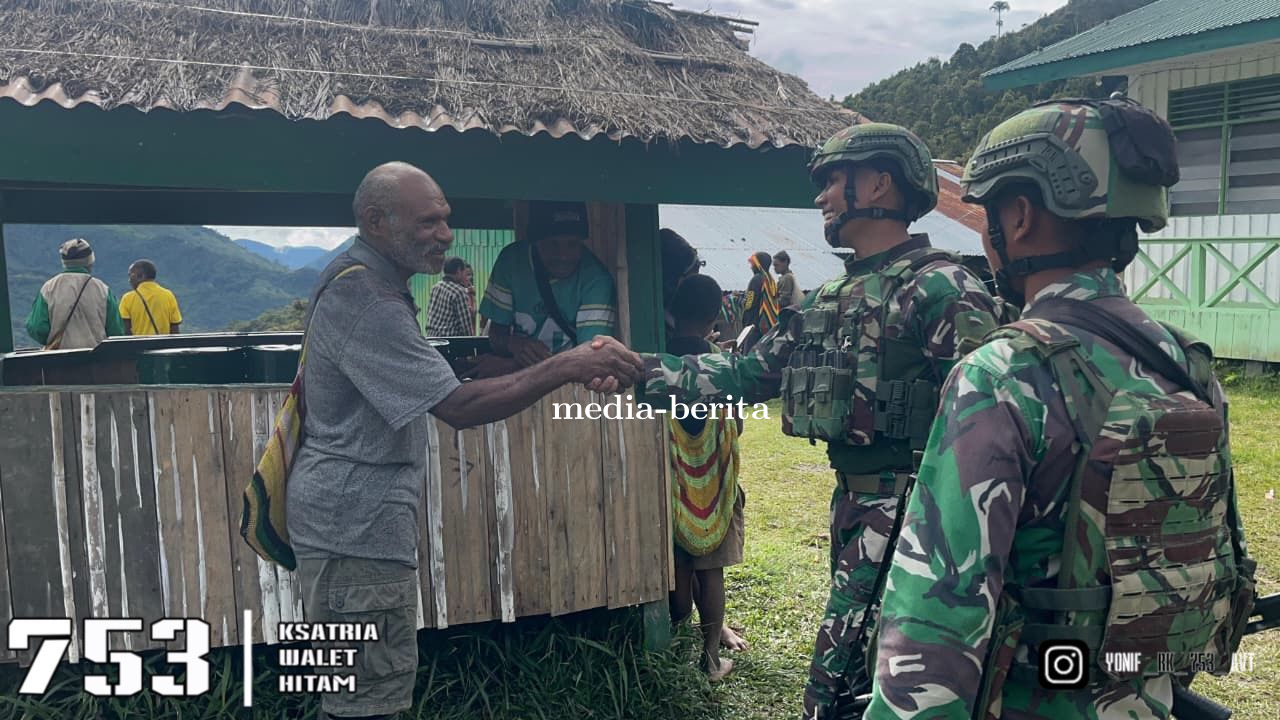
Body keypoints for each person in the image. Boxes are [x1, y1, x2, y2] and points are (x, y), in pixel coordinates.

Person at [865, 99, 1256, 719]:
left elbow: (936, 622)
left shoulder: (1003, 374)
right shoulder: (1191, 367)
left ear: (1017, 217)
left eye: (987, 212)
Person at [626, 123, 1001, 720]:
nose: (822, 196)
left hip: (918, 516)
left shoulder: (942, 288)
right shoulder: (834, 295)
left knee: (851, 681)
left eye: (833, 180)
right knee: (866, 671)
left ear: (879, 181)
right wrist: (638, 369)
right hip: (855, 507)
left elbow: (989, 428)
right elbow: (750, 373)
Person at [285, 162, 642, 720]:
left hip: (351, 526)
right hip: (353, 534)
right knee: (368, 703)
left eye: (445, 220)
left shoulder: (366, 281)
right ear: (377, 221)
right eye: (429, 223)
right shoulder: (369, 302)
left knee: (362, 694)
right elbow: (459, 406)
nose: (446, 236)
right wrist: (566, 365)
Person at [666, 273, 748, 682]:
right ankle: (712, 659)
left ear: (672, 310)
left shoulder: (657, 354)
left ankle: (671, 652)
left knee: (678, 569)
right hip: (715, 488)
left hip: (671, 486)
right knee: (710, 571)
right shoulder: (722, 364)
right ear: (715, 315)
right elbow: (736, 425)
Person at [480, 201, 617, 367]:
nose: (563, 256)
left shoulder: (597, 281)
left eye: (572, 244)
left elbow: (590, 359)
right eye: (553, 244)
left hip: (568, 384)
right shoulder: (511, 262)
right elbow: (496, 334)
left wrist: (510, 368)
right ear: (536, 243)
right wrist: (515, 344)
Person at [26, 238, 125, 349]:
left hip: (57, 360)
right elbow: (116, 331)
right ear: (90, 261)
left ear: (64, 263)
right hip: (96, 361)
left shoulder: (49, 288)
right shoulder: (103, 290)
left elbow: (36, 328)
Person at [120, 259, 183, 335]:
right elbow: (174, 329)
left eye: (131, 275)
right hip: (163, 345)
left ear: (141, 276)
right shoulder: (168, 295)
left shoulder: (127, 298)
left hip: (138, 345)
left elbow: (125, 330)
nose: (129, 280)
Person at [425, 256, 475, 336]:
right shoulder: (459, 292)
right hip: (450, 341)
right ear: (459, 271)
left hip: (432, 338)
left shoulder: (436, 287)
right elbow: (466, 326)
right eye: (465, 273)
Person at [739, 251, 778, 348]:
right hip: (766, 326)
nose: (751, 267)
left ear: (758, 264)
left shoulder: (756, 279)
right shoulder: (770, 280)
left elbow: (748, 304)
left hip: (753, 326)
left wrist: (739, 300)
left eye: (752, 264)